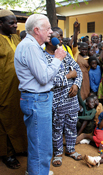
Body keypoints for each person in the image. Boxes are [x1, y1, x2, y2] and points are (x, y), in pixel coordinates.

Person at [14, 14, 66, 175]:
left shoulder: (34, 46)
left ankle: (37, 171)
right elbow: (43, 78)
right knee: (40, 144)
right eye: (48, 28)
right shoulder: (30, 47)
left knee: (39, 142)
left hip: (38, 99)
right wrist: (57, 59)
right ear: (37, 30)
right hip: (37, 100)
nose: (51, 32)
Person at [45, 30, 83, 167]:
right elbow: (48, 81)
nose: (61, 40)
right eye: (58, 38)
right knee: (57, 128)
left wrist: (76, 85)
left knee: (72, 127)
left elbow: (78, 71)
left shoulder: (65, 54)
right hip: (57, 101)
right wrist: (68, 76)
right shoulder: (44, 57)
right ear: (49, 41)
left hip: (72, 100)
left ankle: (71, 150)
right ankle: (58, 153)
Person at [0, 9, 27, 169]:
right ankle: (7, 153)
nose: (15, 25)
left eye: (16, 22)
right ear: (1, 23)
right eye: (11, 22)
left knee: (19, 118)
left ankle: (20, 148)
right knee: (5, 120)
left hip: (19, 87)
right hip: (4, 88)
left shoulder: (16, 38)